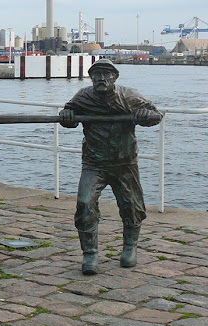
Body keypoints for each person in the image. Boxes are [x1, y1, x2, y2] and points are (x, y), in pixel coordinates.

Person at [59, 59, 163, 275]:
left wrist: (145, 116)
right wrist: (67, 117)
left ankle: (129, 247)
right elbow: (68, 114)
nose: (101, 79)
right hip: (94, 163)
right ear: (91, 78)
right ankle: (90, 253)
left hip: (124, 162)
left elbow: (155, 114)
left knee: (131, 206)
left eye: (107, 75)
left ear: (115, 77)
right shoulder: (84, 97)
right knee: (84, 203)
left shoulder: (129, 96)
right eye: (97, 75)